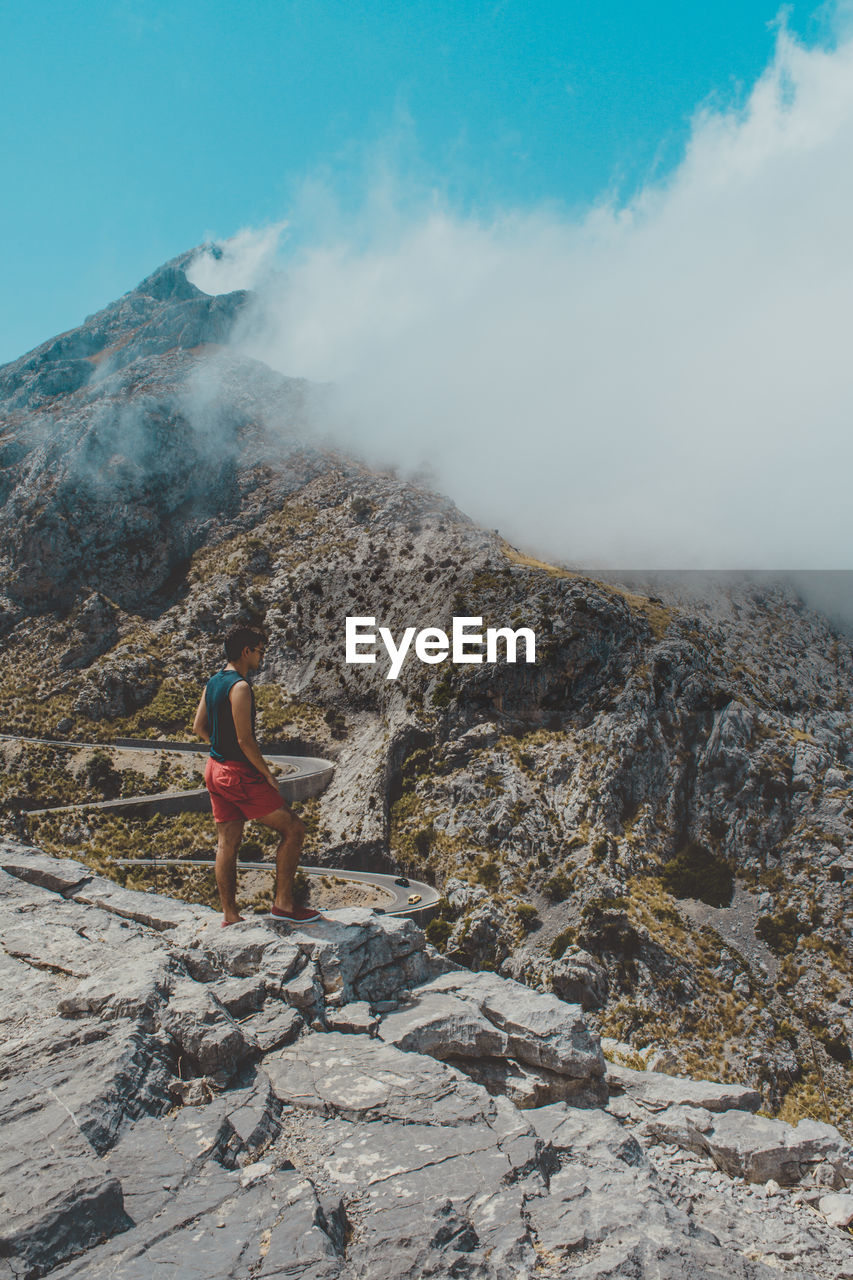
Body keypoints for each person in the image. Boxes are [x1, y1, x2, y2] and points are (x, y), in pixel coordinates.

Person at [192, 625, 320, 927]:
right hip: (238, 774)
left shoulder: (212, 683)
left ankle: (230, 915)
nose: (262, 657)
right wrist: (267, 774)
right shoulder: (240, 687)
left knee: (227, 843)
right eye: (260, 651)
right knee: (294, 829)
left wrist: (219, 747)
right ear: (246, 651)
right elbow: (245, 740)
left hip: (214, 769)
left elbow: (199, 727)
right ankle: (284, 905)